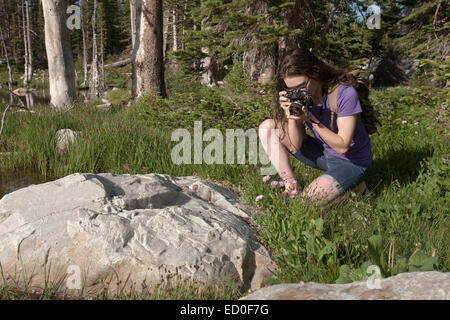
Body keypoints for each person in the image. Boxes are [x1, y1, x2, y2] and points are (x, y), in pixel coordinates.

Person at [258, 48, 372, 206]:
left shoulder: (345, 93)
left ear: (316, 72)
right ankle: (291, 187)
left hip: (352, 161)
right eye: (291, 89)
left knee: (304, 205)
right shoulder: (302, 97)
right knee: (267, 127)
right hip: (324, 152)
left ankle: (356, 189)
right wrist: (292, 116)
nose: (297, 93)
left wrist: (311, 120)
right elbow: (296, 144)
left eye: (301, 86)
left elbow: (343, 147)